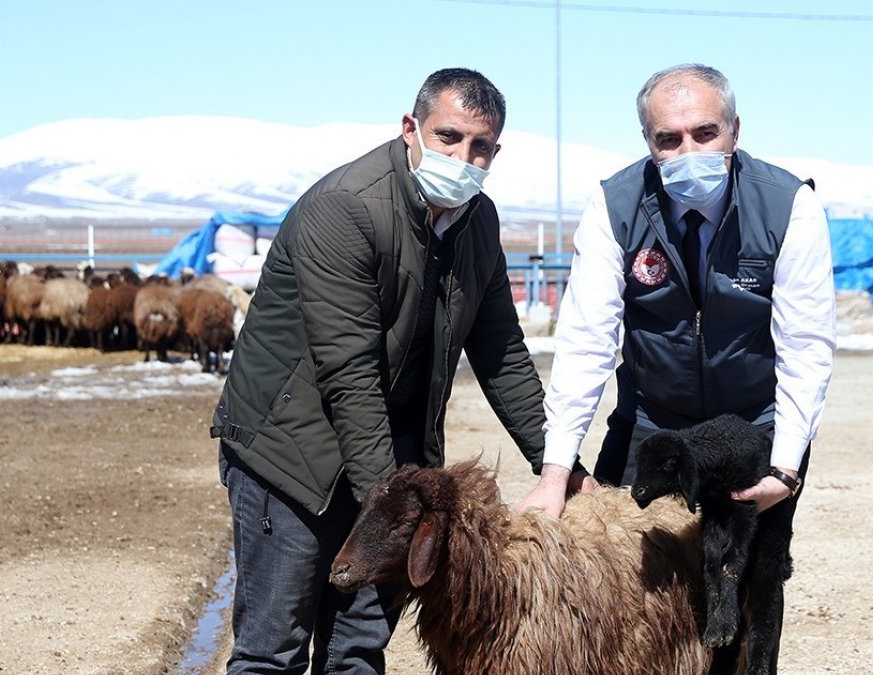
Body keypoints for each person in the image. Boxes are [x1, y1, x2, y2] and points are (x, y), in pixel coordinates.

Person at [211, 68, 588, 674]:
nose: (464, 158)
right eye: (449, 137)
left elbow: (503, 356)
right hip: (290, 456)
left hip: (392, 458)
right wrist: (392, 506)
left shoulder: (477, 222)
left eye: (481, 147)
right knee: (272, 652)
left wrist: (561, 467)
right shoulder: (346, 209)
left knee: (357, 650)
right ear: (410, 129)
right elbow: (348, 371)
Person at [515, 63, 836, 673]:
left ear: (734, 131)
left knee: (743, 595)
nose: (688, 150)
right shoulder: (614, 204)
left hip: (751, 428)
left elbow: (807, 346)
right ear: (649, 143)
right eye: (668, 139)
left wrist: (786, 469)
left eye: (704, 133)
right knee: (624, 588)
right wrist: (556, 471)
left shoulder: (789, 205)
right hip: (652, 425)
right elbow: (585, 341)